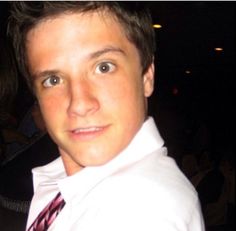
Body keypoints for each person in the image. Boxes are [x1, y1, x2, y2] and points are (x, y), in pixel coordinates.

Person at [7, 2, 205, 230]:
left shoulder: (145, 210)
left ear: (146, 76)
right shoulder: (67, 181)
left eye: (103, 67)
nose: (79, 104)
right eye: (53, 80)